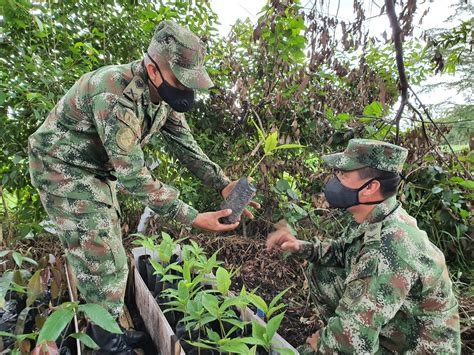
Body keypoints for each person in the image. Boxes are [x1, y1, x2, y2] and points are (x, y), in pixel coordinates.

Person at [28, 20, 257, 353]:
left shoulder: (161, 97)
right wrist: (194, 217)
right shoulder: (114, 96)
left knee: (113, 255)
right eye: (180, 80)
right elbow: (134, 176)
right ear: (153, 70)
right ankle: (110, 345)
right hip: (62, 170)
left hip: (95, 170)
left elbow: (185, 144)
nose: (186, 90)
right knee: (103, 260)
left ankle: (109, 332)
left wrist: (222, 183)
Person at [267, 139, 460, 354]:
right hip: (401, 328)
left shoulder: (389, 246)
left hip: (418, 348)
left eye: (343, 174)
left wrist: (319, 346)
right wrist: (300, 246)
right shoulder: (374, 216)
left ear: (370, 187)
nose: (334, 180)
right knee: (323, 271)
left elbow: (350, 344)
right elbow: (342, 251)